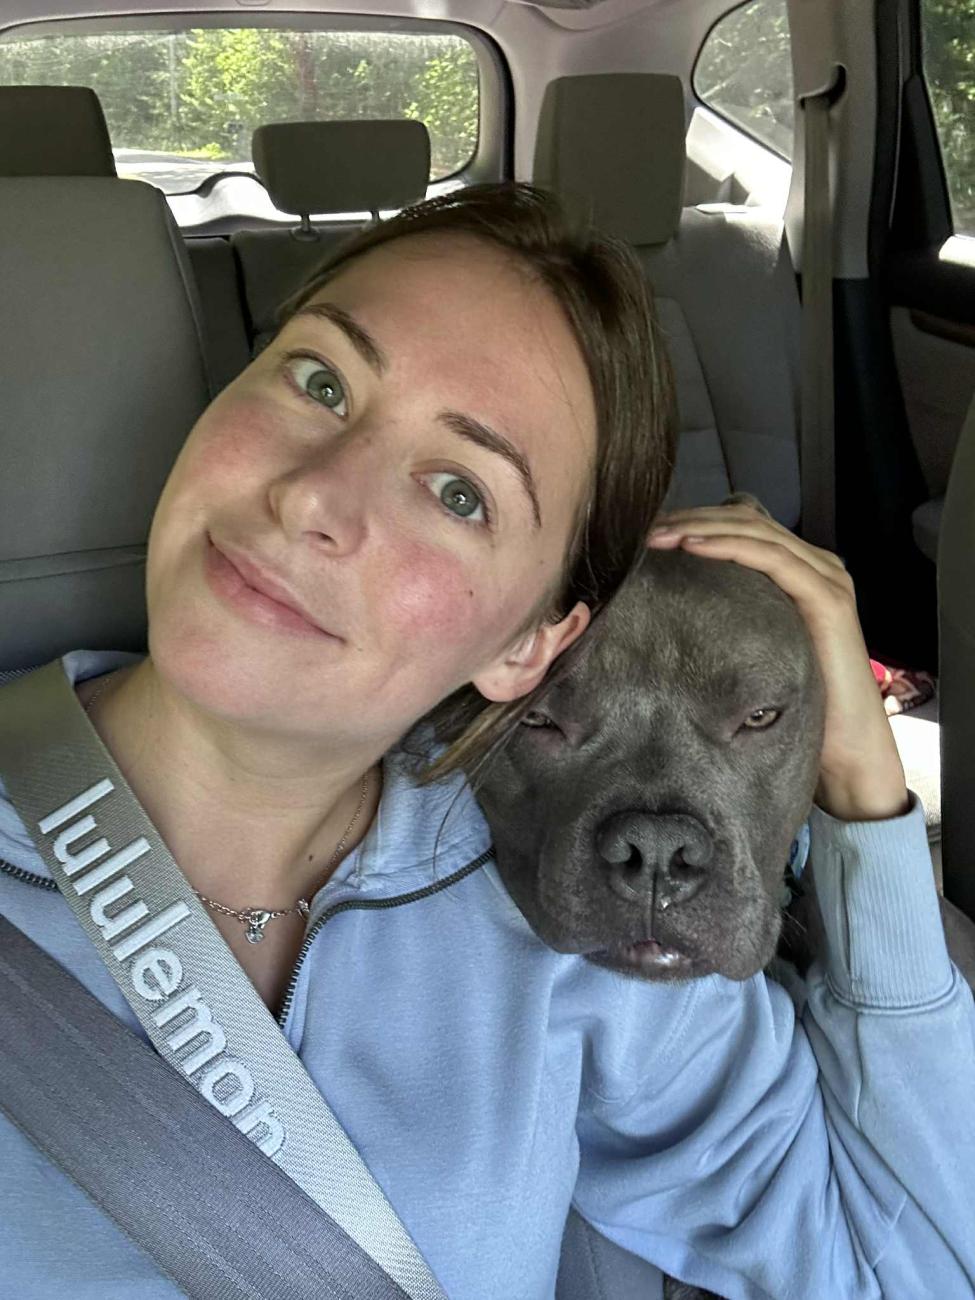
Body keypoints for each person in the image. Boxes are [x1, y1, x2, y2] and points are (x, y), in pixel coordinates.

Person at [0, 183, 972, 1299]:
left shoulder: (557, 901)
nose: (318, 496)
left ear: (526, 643)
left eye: (460, 492)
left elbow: (911, 1272)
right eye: (320, 381)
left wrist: (859, 783)